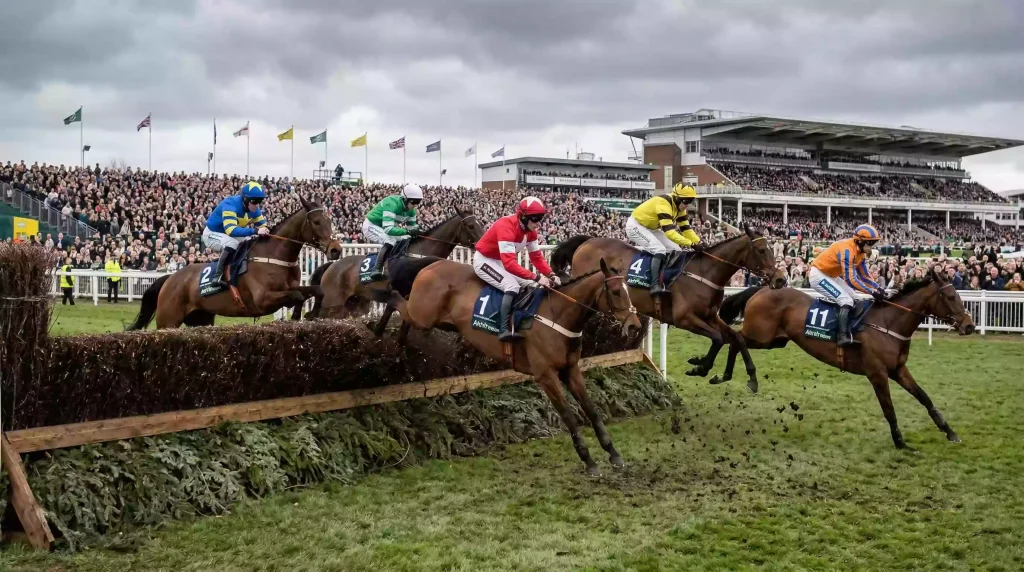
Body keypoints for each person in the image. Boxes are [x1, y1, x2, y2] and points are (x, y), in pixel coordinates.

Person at [473, 196, 561, 342]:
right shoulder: (506, 226)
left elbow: (536, 257)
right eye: (536, 219)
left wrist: (550, 274)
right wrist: (537, 277)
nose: (538, 224)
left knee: (531, 285)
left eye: (541, 218)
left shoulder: (531, 231)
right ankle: (503, 329)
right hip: (484, 261)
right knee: (512, 285)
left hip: (499, 261)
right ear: (524, 217)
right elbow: (509, 264)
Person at [808, 224, 885, 347]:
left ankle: (851, 330)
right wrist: (872, 291)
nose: (871, 247)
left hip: (831, 276)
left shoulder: (861, 253)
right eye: (869, 243)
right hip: (818, 275)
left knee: (856, 299)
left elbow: (864, 276)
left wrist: (878, 288)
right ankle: (841, 337)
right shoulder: (847, 250)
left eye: (872, 244)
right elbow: (850, 280)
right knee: (846, 300)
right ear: (859, 241)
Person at [624, 183, 705, 295]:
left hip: (650, 228)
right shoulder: (664, 203)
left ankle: (667, 279)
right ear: (677, 198)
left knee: (677, 250)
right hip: (636, 226)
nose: (688, 204)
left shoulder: (680, 208)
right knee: (659, 250)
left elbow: (686, 229)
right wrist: (691, 244)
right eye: (686, 201)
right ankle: (654, 285)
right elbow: (670, 233)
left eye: (691, 200)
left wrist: (698, 241)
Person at [202, 181, 268, 287]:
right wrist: (255, 231)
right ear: (245, 199)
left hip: (228, 235)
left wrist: (265, 230)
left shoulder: (255, 209)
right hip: (211, 233)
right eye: (255, 201)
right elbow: (231, 230)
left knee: (250, 242)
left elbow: (263, 226)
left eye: (260, 201)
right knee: (232, 243)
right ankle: (217, 276)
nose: (257, 205)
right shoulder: (230, 204)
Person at [364, 183, 423, 281]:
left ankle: (396, 262)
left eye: (418, 202)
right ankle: (377, 268)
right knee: (389, 239)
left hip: (385, 228)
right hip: (371, 225)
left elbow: (412, 229)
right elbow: (388, 229)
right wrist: (408, 231)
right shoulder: (391, 204)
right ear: (405, 199)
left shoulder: (412, 211)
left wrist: (417, 231)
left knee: (406, 238)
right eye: (414, 202)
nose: (415, 205)